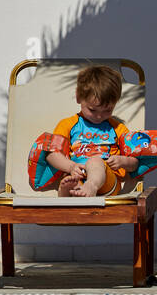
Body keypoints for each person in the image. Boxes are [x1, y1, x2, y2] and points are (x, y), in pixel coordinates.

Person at [42, 65, 141, 198]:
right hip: (77, 174)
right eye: (92, 110)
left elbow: (135, 163)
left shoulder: (118, 129)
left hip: (107, 182)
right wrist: (71, 167)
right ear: (78, 97)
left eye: (107, 110)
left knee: (95, 161)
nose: (99, 116)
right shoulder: (68, 124)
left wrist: (123, 161)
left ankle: (91, 186)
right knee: (67, 176)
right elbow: (51, 155)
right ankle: (72, 190)